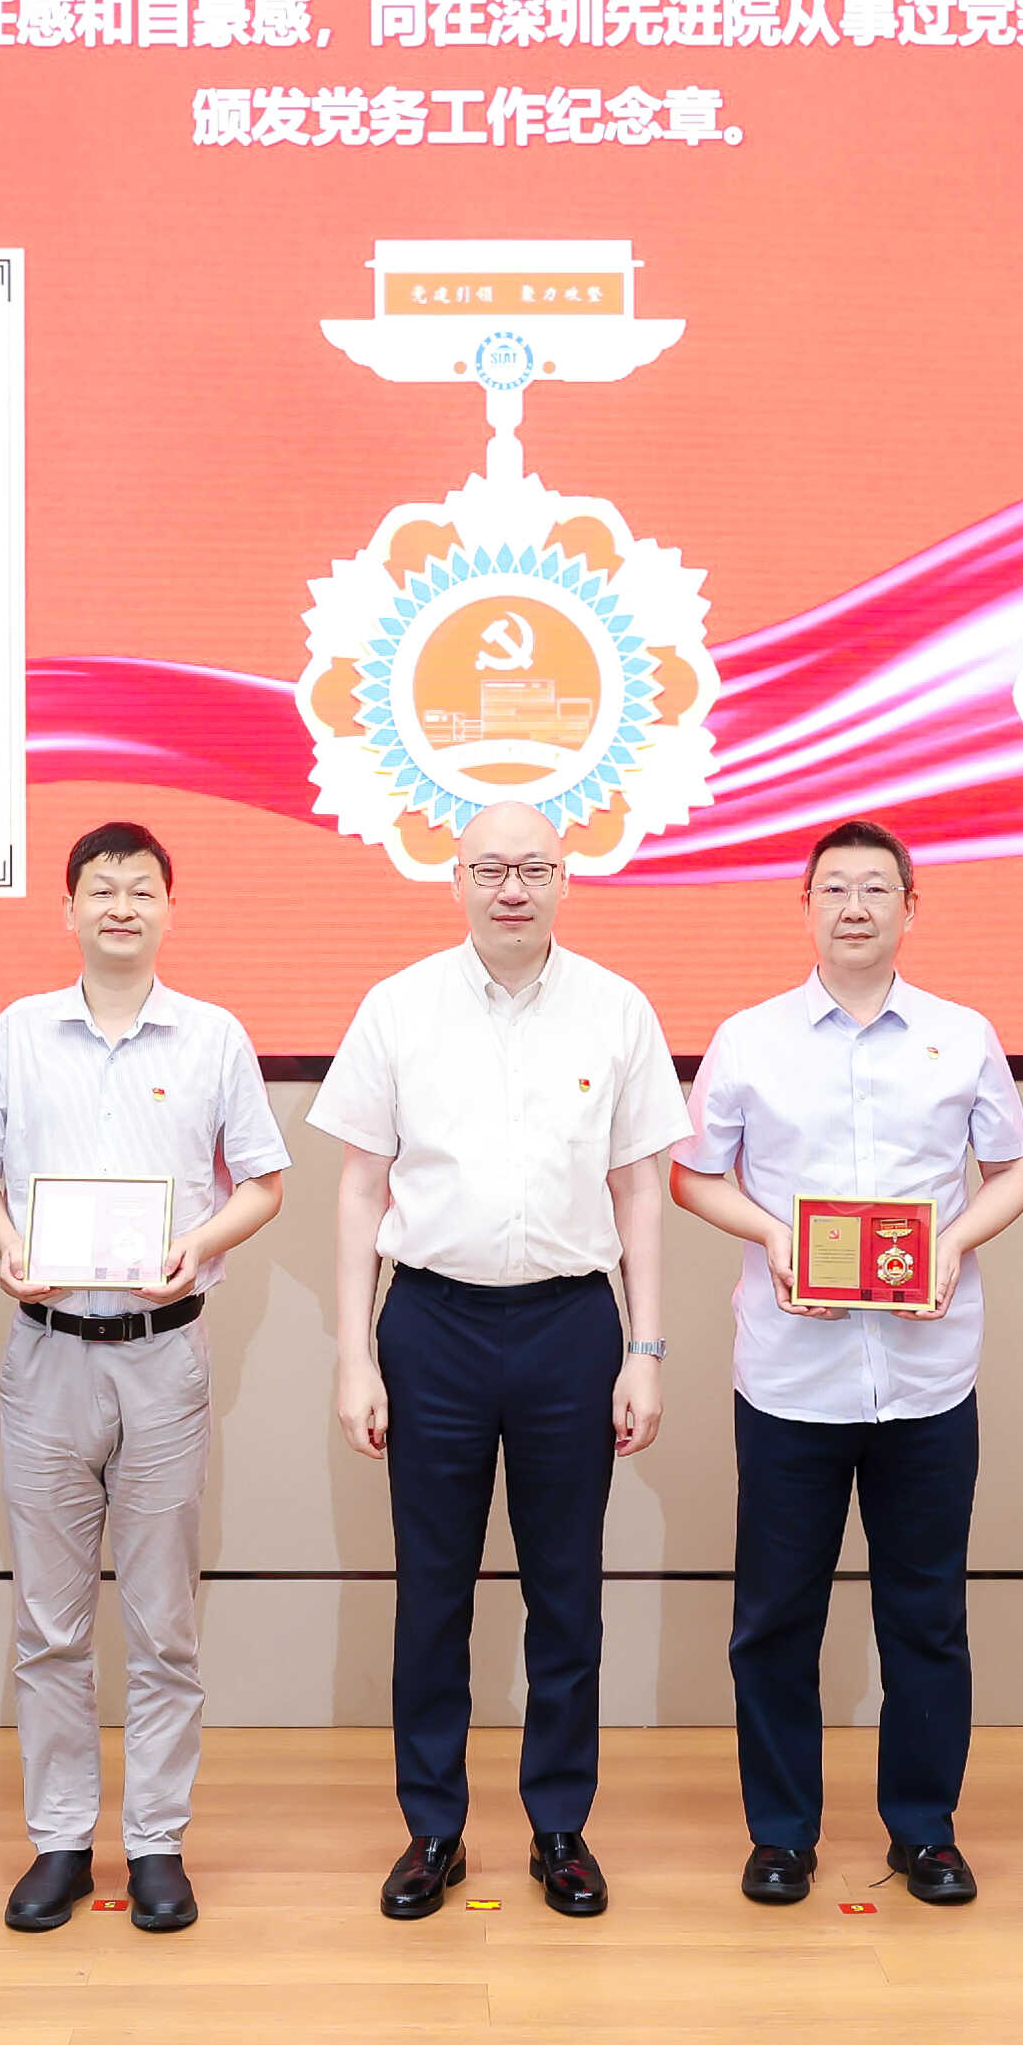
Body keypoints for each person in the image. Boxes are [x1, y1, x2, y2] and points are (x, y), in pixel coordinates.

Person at [314, 800, 689, 1921]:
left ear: (566, 878)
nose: (511, 889)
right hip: (431, 1326)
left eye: (533, 868)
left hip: (571, 1326)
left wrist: (645, 1348)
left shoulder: (617, 1009)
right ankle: (433, 1828)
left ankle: (559, 1826)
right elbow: (359, 1189)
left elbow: (639, 1192)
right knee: (430, 1591)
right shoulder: (398, 1006)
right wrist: (353, 1356)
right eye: (490, 869)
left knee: (566, 1589)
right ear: (457, 879)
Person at [673, 820, 1023, 1909]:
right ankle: (782, 1833)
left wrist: (953, 1243)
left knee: (925, 1617)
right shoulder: (749, 1039)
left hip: (927, 1376)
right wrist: (774, 1235)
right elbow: (695, 1175)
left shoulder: (963, 1036)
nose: (855, 907)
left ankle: (924, 1831)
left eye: (877, 889)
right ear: (806, 906)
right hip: (791, 1377)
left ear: (910, 908)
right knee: (775, 1620)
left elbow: (1014, 1170)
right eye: (834, 888)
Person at [0, 821, 290, 1936]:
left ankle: (155, 1842)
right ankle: (58, 1840)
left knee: (163, 1623)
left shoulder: (213, 1036)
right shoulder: (18, 1031)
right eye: (101, 889)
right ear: (68, 910)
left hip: (164, 1355)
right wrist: (6, 1243)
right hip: (46, 1351)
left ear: (168, 909)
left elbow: (264, 1181)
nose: (121, 906)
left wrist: (199, 1242)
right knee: (49, 1624)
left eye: (142, 888)